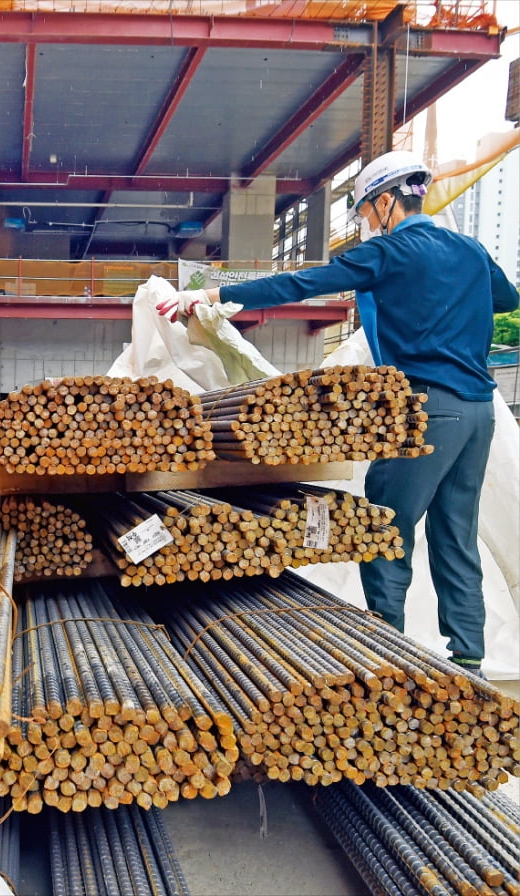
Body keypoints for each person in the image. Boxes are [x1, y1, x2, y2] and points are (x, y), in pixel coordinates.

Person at [157, 150, 518, 678]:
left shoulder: (392, 253)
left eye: (369, 211)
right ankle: (468, 659)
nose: (368, 223)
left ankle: (387, 655)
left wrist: (215, 294)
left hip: (425, 409)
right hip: (478, 410)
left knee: (383, 530)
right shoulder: (470, 250)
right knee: (455, 534)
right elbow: (506, 298)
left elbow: (304, 283)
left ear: (390, 200)